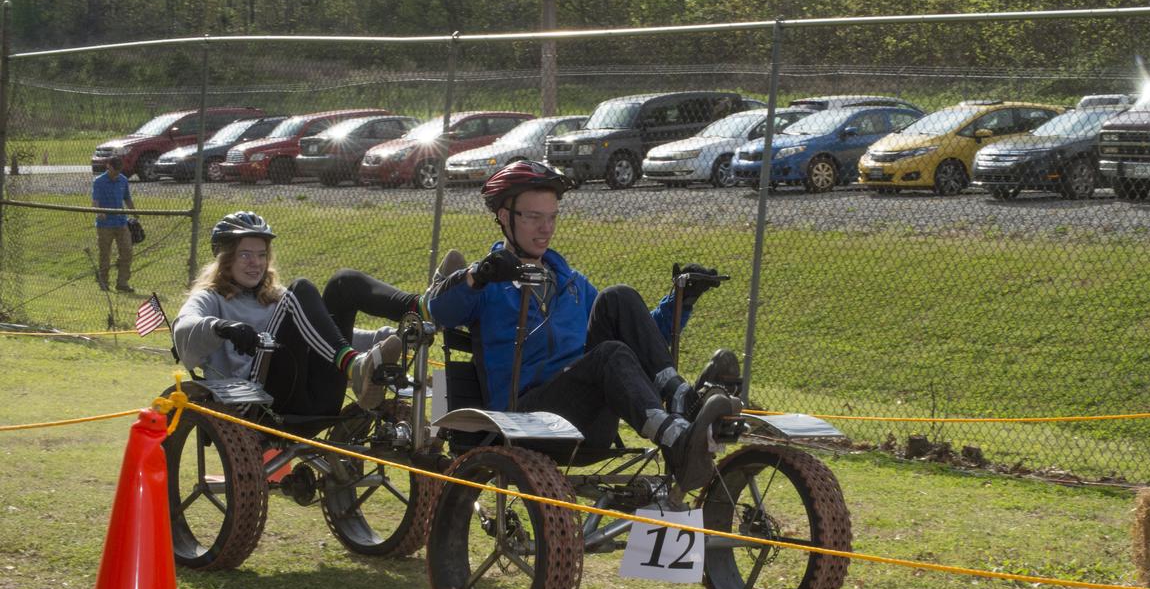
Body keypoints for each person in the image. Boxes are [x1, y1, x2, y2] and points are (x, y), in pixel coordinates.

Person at [428, 160, 735, 491]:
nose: (546, 228)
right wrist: (480, 274)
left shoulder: (572, 284)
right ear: (504, 217)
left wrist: (681, 301)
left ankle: (681, 400)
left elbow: (643, 345)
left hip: (587, 418)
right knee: (610, 354)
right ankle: (675, 439)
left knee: (619, 297)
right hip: (526, 420)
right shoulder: (488, 284)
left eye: (552, 217)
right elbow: (438, 310)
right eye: (534, 217)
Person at [173, 211, 424, 415]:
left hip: (315, 395)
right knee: (300, 289)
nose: (256, 263)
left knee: (343, 283)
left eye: (262, 255)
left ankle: (422, 309)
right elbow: (184, 326)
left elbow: (324, 335)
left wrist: (390, 337)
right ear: (225, 259)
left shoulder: (276, 296)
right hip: (258, 402)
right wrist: (220, 327)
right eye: (245, 255)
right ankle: (354, 367)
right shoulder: (211, 296)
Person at [91, 156, 136, 292]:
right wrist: (99, 212)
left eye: (118, 171)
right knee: (105, 253)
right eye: (114, 171)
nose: (116, 174)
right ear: (108, 166)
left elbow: (127, 198)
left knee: (127, 251)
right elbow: (95, 201)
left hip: (121, 222)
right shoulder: (99, 182)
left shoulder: (123, 180)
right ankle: (104, 282)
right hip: (105, 225)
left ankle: (122, 283)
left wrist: (135, 212)